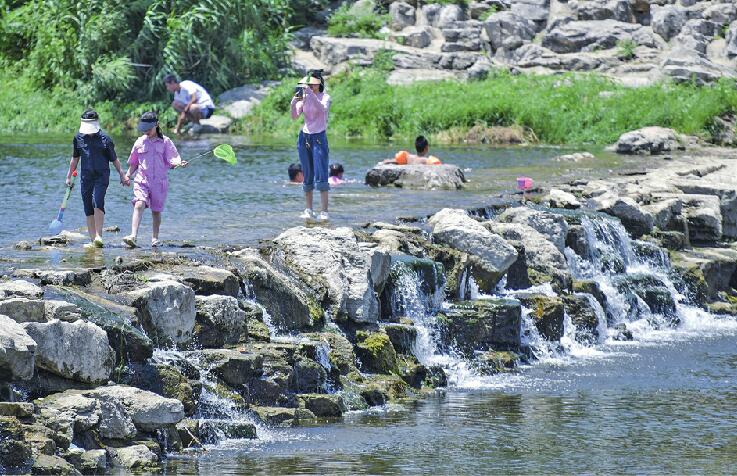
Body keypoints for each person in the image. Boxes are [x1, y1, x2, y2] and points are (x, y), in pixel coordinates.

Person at [122, 112, 188, 248]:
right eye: (144, 129)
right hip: (142, 180)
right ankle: (133, 236)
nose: (146, 131)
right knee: (139, 204)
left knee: (156, 211)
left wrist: (179, 163)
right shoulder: (139, 142)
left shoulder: (165, 142)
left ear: (157, 125)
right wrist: (127, 176)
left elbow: (173, 159)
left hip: (159, 182)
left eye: (149, 129)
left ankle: (155, 238)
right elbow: (134, 163)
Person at [66, 109, 127, 248]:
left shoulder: (106, 140)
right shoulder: (78, 138)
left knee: (97, 201)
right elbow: (75, 159)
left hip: (101, 176)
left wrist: (122, 175)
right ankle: (93, 240)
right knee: (88, 205)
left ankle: (99, 236)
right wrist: (69, 176)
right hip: (85, 177)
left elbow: (115, 160)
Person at [290, 70, 331, 222]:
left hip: (319, 137)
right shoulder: (305, 97)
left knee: (321, 172)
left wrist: (311, 95)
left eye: (312, 84)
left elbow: (322, 109)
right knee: (307, 173)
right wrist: (294, 102)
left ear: (319, 83)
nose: (309, 87)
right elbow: (294, 117)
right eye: (307, 84)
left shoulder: (325, 97)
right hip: (304, 137)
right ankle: (309, 209)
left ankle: (324, 211)